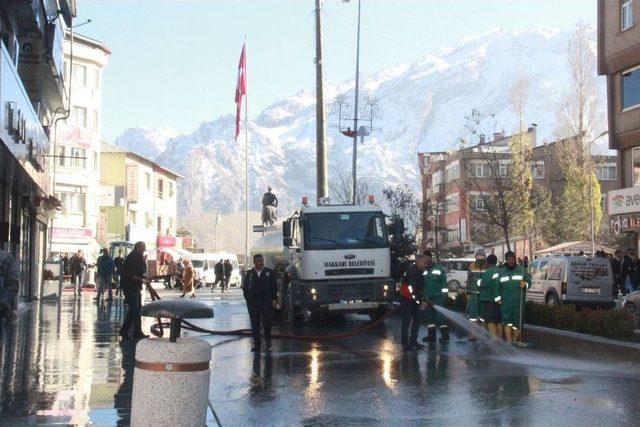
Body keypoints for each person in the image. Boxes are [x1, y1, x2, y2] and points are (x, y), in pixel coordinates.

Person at [242, 253, 277, 352]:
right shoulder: (250, 274)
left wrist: (274, 300)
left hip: (266, 302)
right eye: (258, 261)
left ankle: (268, 341)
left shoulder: (269, 273)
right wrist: (249, 300)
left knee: (267, 322)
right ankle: (257, 344)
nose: (260, 263)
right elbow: (245, 288)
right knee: (255, 324)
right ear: (254, 262)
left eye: (262, 261)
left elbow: (274, 288)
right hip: (254, 303)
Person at [497, 251, 531, 344]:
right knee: (507, 323)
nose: (511, 261)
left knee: (517, 324)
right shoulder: (501, 272)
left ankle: (515, 341)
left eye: (513, 259)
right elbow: (496, 287)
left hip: (518, 302)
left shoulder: (521, 270)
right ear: (506, 260)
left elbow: (529, 281)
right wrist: (498, 299)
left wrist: (525, 284)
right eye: (509, 259)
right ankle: (509, 342)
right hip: (506, 303)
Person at [118, 241, 149, 340]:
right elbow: (129, 275)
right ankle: (124, 331)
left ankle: (137, 332)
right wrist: (142, 280)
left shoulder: (140, 257)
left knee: (138, 309)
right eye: (143, 248)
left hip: (136, 287)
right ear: (138, 247)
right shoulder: (132, 257)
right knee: (134, 310)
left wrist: (144, 276)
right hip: (129, 287)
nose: (144, 250)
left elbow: (141, 270)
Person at [399, 253, 428, 350]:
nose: (425, 265)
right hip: (407, 300)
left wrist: (423, 299)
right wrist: (419, 301)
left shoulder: (421, 272)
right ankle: (405, 343)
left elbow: (421, 287)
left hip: (415, 300)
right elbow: (411, 289)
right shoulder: (411, 272)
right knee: (406, 322)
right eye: (424, 262)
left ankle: (413, 341)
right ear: (418, 261)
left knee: (417, 321)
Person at [421, 250, 450, 343]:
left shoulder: (438, 269)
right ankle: (431, 336)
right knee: (429, 317)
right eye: (423, 257)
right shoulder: (424, 270)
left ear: (430, 257)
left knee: (440, 317)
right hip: (427, 297)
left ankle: (445, 335)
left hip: (438, 297)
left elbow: (444, 284)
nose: (424, 259)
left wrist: (444, 296)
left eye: (426, 257)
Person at [466, 249, 488, 341]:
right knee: (473, 316)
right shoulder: (471, 266)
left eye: (481, 257)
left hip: (484, 294)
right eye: (478, 257)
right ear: (475, 257)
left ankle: (482, 334)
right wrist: (467, 292)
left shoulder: (487, 266)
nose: (480, 259)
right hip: (474, 294)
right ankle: (473, 334)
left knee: (483, 316)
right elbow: (469, 279)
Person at [478, 254, 501, 338]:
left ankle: (494, 339)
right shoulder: (500, 270)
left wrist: (479, 281)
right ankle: (500, 338)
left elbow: (483, 284)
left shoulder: (489, 272)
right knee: (498, 320)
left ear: (488, 262)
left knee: (490, 319)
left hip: (488, 298)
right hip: (498, 298)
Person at [0, 249, 19, 326]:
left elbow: (12, 284)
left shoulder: (5, 258)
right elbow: (13, 284)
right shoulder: (6, 257)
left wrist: (3, 304)